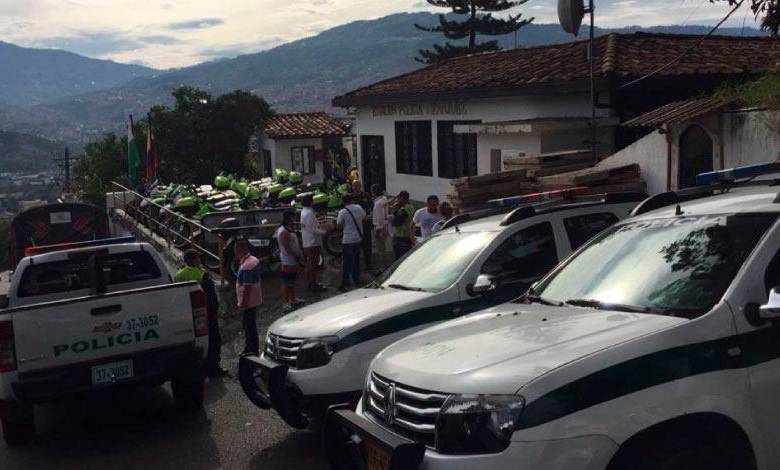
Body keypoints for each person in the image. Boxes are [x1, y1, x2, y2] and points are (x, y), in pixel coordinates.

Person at [175, 250, 227, 377]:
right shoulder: (202, 274)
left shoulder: (178, 274)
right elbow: (211, 296)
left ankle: (197, 368)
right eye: (198, 258)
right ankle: (213, 368)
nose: (200, 260)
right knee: (213, 340)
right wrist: (215, 312)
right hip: (204, 314)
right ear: (194, 260)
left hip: (186, 314)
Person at [235, 238, 262, 355]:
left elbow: (247, 287)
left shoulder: (247, 266)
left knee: (249, 327)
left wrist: (243, 303)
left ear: (239, 250)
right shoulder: (254, 260)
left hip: (249, 302)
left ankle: (251, 350)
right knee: (250, 326)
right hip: (254, 300)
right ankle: (250, 348)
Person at [336, 193, 367, 292]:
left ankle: (345, 281)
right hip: (358, 238)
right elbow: (364, 216)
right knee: (356, 260)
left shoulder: (342, 212)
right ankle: (356, 279)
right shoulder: (358, 207)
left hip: (348, 240)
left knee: (346, 261)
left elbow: (339, 226)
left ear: (343, 201)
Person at [277, 210, 305, 313]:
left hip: (292, 260)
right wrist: (297, 256)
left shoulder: (288, 229)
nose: (295, 219)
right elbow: (287, 248)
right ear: (290, 218)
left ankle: (293, 299)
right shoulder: (284, 231)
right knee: (287, 282)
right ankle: (286, 303)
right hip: (288, 260)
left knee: (291, 281)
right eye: (294, 217)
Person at [300, 193, 329, 292]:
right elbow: (313, 229)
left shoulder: (304, 211)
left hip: (308, 242)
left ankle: (311, 283)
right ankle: (314, 285)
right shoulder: (309, 213)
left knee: (309, 264)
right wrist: (325, 232)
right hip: (313, 242)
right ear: (311, 202)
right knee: (313, 265)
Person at [351, 180, 374, 270]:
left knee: (367, 245)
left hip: (365, 223)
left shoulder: (366, 195)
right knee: (355, 246)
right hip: (355, 225)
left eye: (358, 185)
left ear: (360, 186)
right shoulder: (350, 197)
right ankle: (356, 266)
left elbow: (372, 206)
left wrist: (370, 215)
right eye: (354, 185)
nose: (356, 187)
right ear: (352, 187)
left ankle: (368, 264)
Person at [390, 190, 415, 260]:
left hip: (403, 237)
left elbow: (396, 222)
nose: (397, 200)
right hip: (402, 236)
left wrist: (395, 210)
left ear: (402, 198)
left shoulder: (406, 208)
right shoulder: (408, 207)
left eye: (398, 198)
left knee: (401, 260)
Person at [371, 184, 388, 261]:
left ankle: (382, 266)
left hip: (380, 227)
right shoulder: (384, 198)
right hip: (385, 226)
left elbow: (379, 217)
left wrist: (377, 231)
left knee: (380, 248)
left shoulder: (378, 204)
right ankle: (383, 264)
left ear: (374, 192)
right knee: (383, 246)